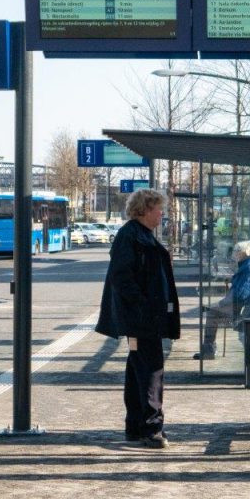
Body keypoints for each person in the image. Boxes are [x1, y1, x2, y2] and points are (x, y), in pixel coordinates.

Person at [96, 189, 180, 449]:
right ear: (145, 209)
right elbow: (122, 277)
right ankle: (151, 428)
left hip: (144, 317)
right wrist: (143, 306)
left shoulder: (139, 235)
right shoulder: (132, 236)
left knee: (137, 370)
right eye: (158, 209)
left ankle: (135, 426)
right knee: (152, 370)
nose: (162, 214)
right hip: (142, 318)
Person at [194, 239, 250, 359]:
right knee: (212, 312)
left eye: (236, 251)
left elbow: (241, 294)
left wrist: (221, 304)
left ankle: (209, 351)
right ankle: (209, 350)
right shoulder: (249, 265)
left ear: (244, 253)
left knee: (212, 314)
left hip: (244, 308)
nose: (234, 254)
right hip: (243, 305)